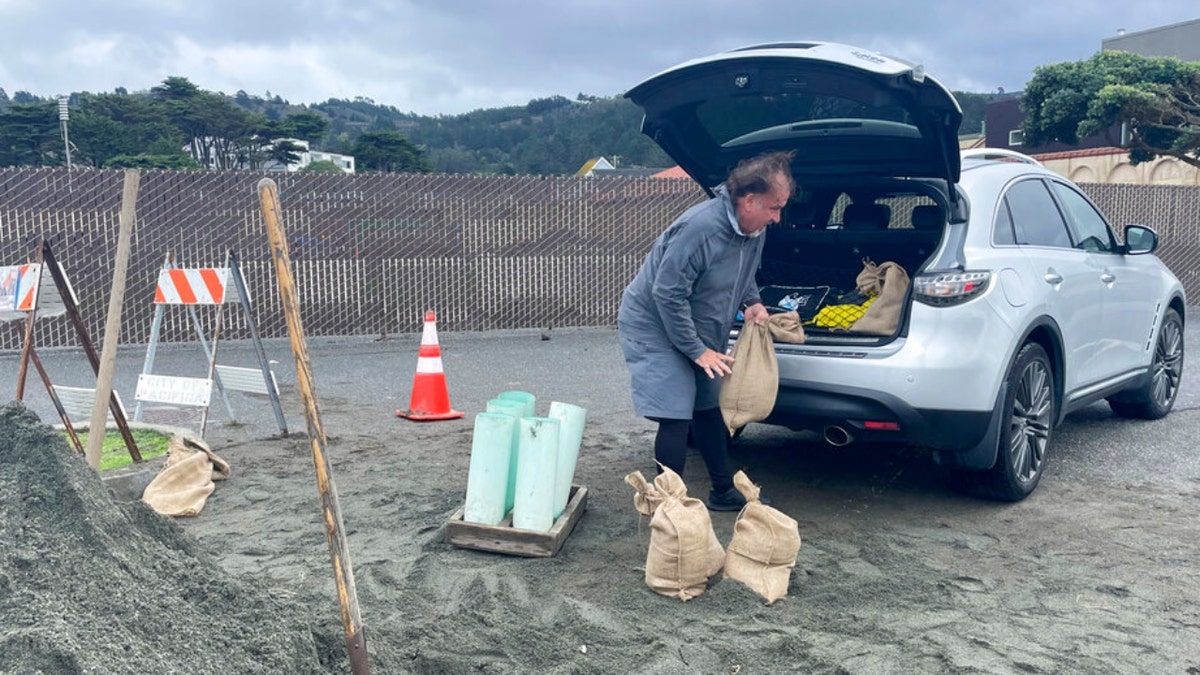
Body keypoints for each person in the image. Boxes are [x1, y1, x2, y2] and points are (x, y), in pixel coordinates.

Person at [617, 151, 795, 511]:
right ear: (748, 200)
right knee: (676, 409)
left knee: (707, 404)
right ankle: (667, 509)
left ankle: (722, 492)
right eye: (774, 207)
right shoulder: (700, 229)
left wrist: (752, 302)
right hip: (654, 322)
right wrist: (697, 350)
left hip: (697, 322)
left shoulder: (754, 229)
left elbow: (742, 273)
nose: (778, 217)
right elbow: (666, 293)